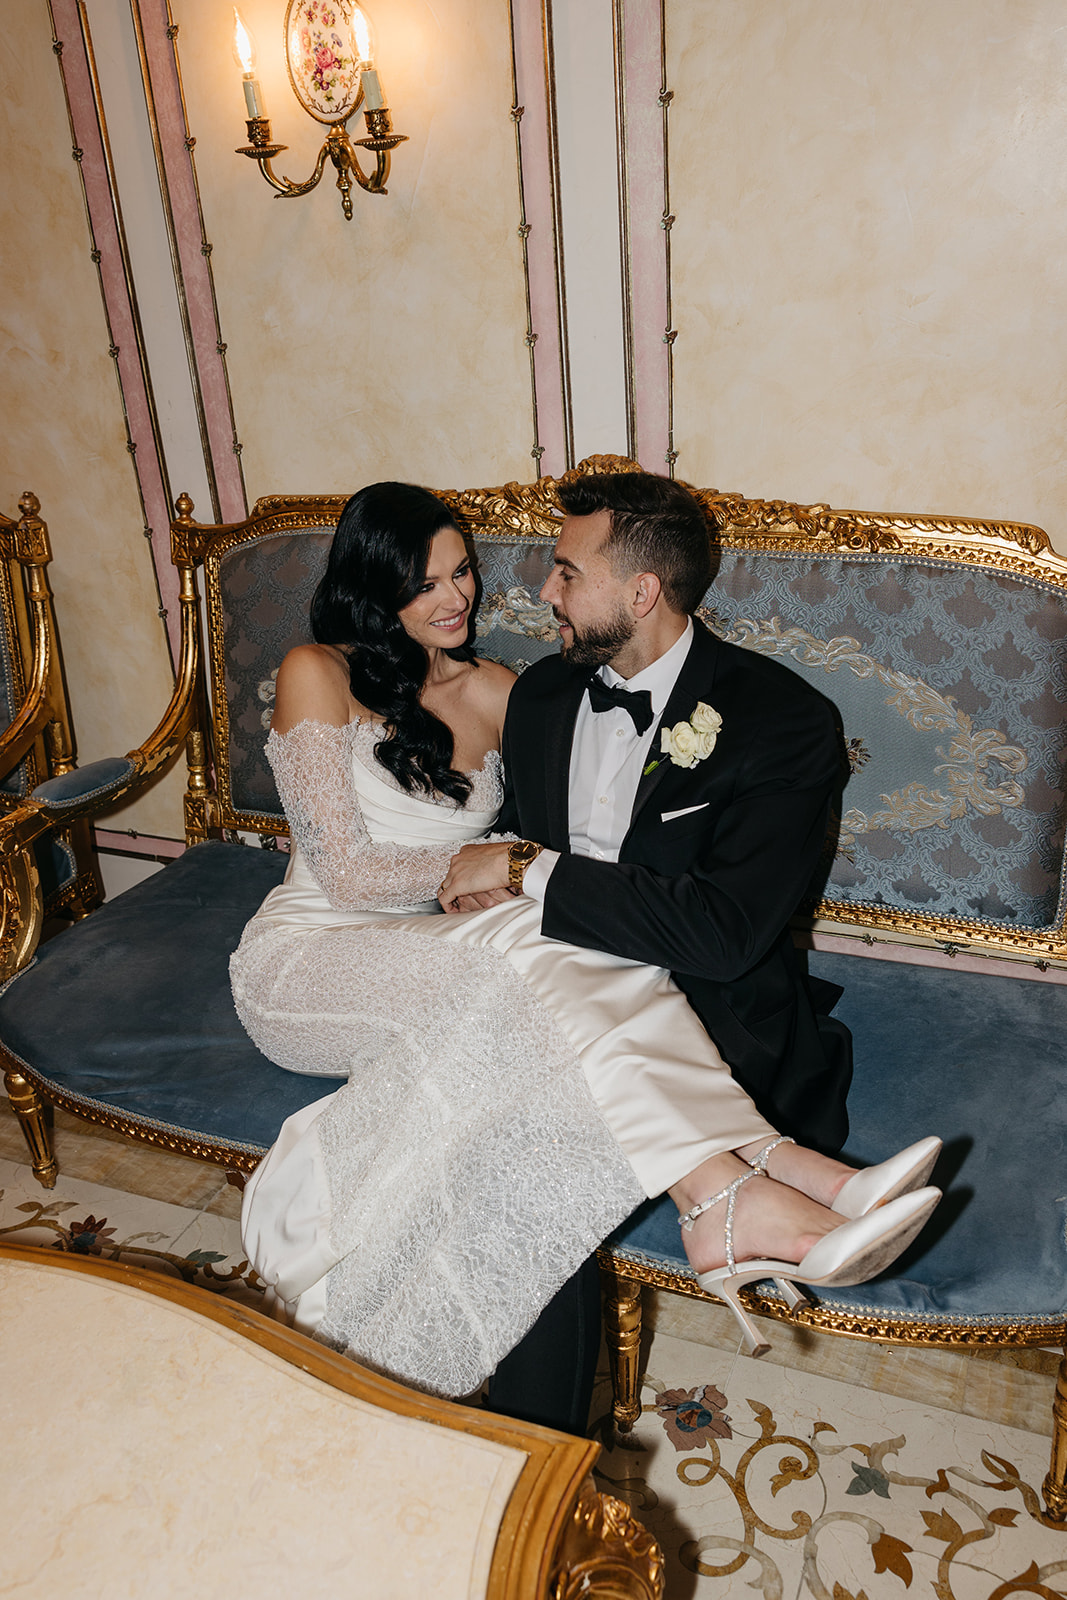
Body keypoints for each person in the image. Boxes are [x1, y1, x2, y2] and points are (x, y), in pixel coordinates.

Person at [231, 479, 941, 1411]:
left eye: (558, 572)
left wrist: (516, 868)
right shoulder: (500, 691)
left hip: (568, 977)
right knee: (533, 1028)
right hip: (340, 957)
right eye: (428, 582)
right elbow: (372, 874)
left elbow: (682, 920)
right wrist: (505, 872)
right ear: (378, 591)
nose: (512, 596)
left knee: (529, 1116)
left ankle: (534, 1442)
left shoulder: (755, 717)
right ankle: (759, 1175)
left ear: (641, 592)